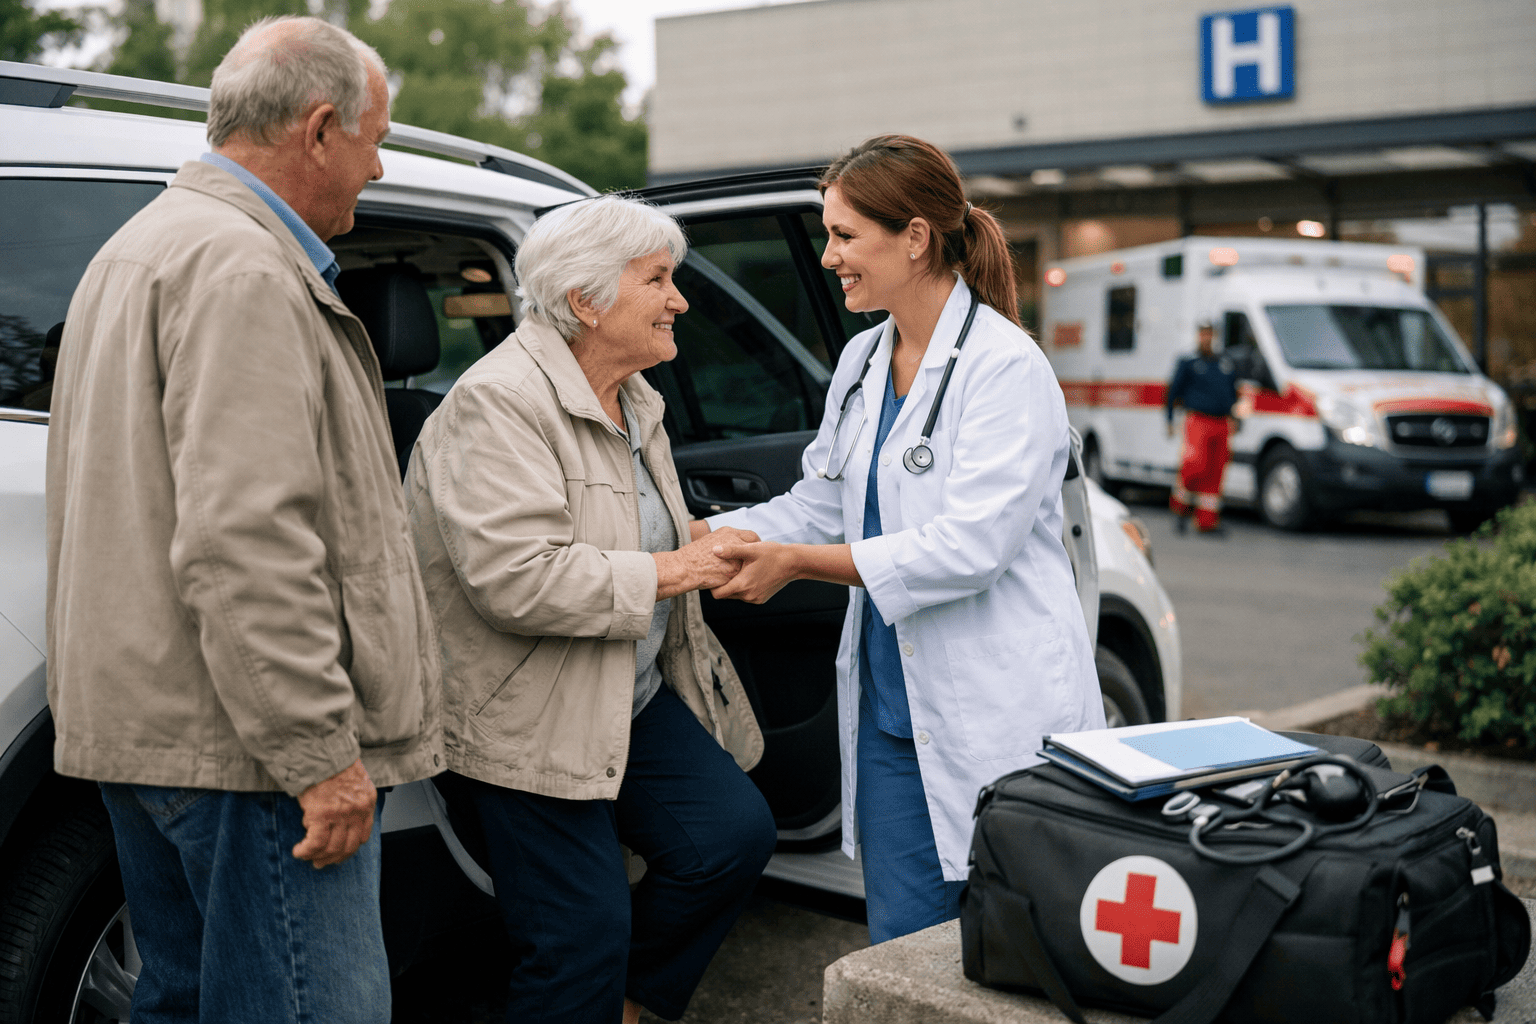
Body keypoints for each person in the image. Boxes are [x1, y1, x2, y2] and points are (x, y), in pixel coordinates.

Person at [45, 16, 441, 1024]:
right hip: (249, 750)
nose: (378, 167)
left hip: (156, 727)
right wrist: (319, 755)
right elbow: (247, 543)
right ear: (319, 128)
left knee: (182, 999)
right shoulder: (245, 270)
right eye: (374, 140)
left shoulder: (142, 245)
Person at [694, 135, 1104, 944]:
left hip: (996, 706)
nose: (828, 257)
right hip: (892, 715)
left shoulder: (1004, 367)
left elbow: (970, 548)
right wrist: (689, 536)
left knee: (1012, 949)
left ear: (915, 237)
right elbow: (822, 501)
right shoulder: (862, 358)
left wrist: (796, 566)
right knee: (901, 946)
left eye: (844, 236)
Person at [404, 194, 776, 1024]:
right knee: (578, 939)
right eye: (659, 280)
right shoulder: (497, 403)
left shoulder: (634, 396)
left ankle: (628, 1006)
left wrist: (704, 538)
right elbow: (518, 578)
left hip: (623, 692)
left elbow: (621, 526)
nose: (680, 300)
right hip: (526, 712)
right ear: (586, 301)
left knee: (728, 839)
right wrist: (676, 569)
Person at [1165, 318, 1241, 535]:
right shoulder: (1189, 362)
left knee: (1216, 472)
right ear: (1198, 335)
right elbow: (1173, 391)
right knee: (1195, 464)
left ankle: (1206, 521)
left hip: (1222, 423)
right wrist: (1169, 419)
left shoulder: (1224, 363)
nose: (1206, 338)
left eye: (1210, 333)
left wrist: (1235, 418)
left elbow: (1233, 393)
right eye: (1203, 333)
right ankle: (1180, 508)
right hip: (1198, 420)